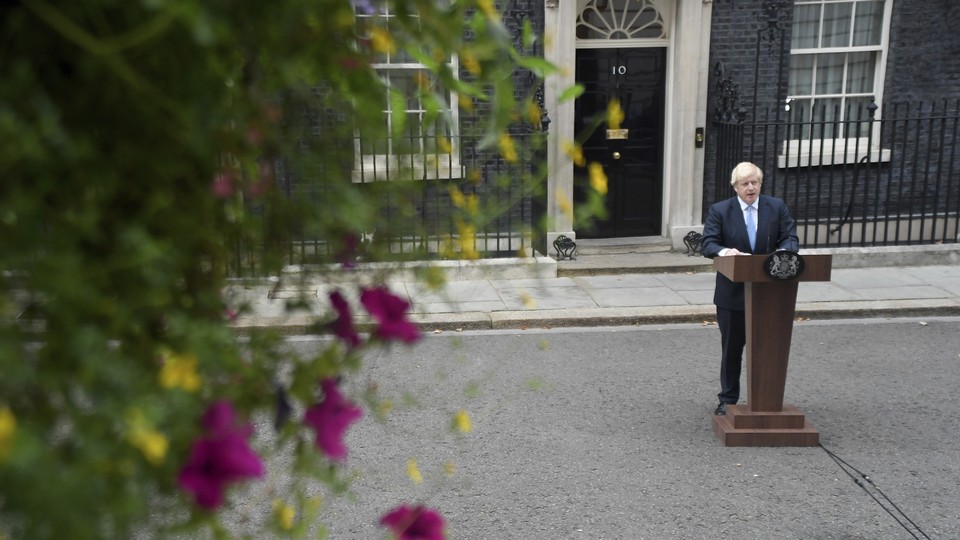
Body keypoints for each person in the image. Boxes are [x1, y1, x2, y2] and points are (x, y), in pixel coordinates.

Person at [700, 161, 799, 416]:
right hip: (732, 294)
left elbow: (789, 236)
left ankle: (766, 400)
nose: (751, 187)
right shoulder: (720, 211)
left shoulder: (775, 207)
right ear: (735, 187)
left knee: (768, 348)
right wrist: (726, 251)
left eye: (755, 182)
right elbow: (708, 244)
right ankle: (728, 399)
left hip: (769, 294)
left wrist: (786, 250)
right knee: (732, 349)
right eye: (745, 183)